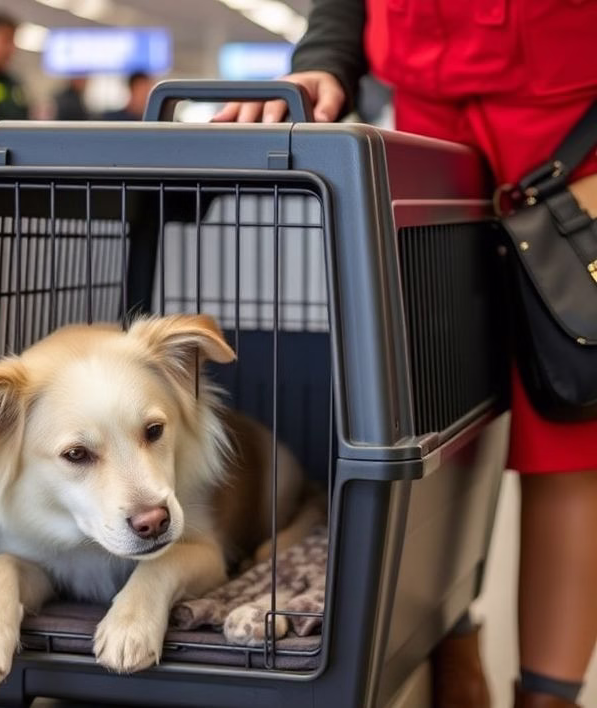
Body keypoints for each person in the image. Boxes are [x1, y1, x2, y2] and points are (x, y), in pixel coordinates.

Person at [214, 3, 597, 708]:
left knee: (571, 419)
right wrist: (325, 58)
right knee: (427, 413)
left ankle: (549, 698)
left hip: (574, 119)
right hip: (427, 120)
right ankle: (448, 638)